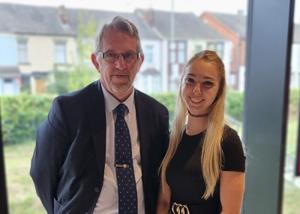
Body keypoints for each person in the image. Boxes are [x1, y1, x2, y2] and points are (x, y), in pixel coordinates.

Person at [30, 16, 169, 214]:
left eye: (128, 55)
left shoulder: (157, 114)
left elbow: (160, 178)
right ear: (97, 61)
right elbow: (41, 172)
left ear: (140, 61)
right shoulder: (68, 110)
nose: (121, 65)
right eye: (111, 55)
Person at [157, 50, 246, 214]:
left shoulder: (228, 142)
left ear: (219, 90)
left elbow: (230, 211)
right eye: (190, 80)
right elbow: (163, 203)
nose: (196, 90)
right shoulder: (172, 139)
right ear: (181, 83)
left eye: (207, 83)